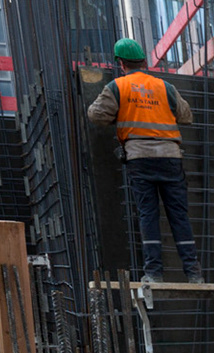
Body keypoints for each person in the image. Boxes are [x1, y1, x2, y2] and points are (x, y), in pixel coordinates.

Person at [86, 39, 201, 285]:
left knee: (148, 214)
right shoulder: (164, 86)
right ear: (145, 62)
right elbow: (186, 115)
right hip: (170, 158)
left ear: (120, 63)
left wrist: (123, 112)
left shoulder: (117, 87)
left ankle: (154, 273)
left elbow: (96, 115)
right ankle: (193, 273)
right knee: (179, 215)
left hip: (140, 159)